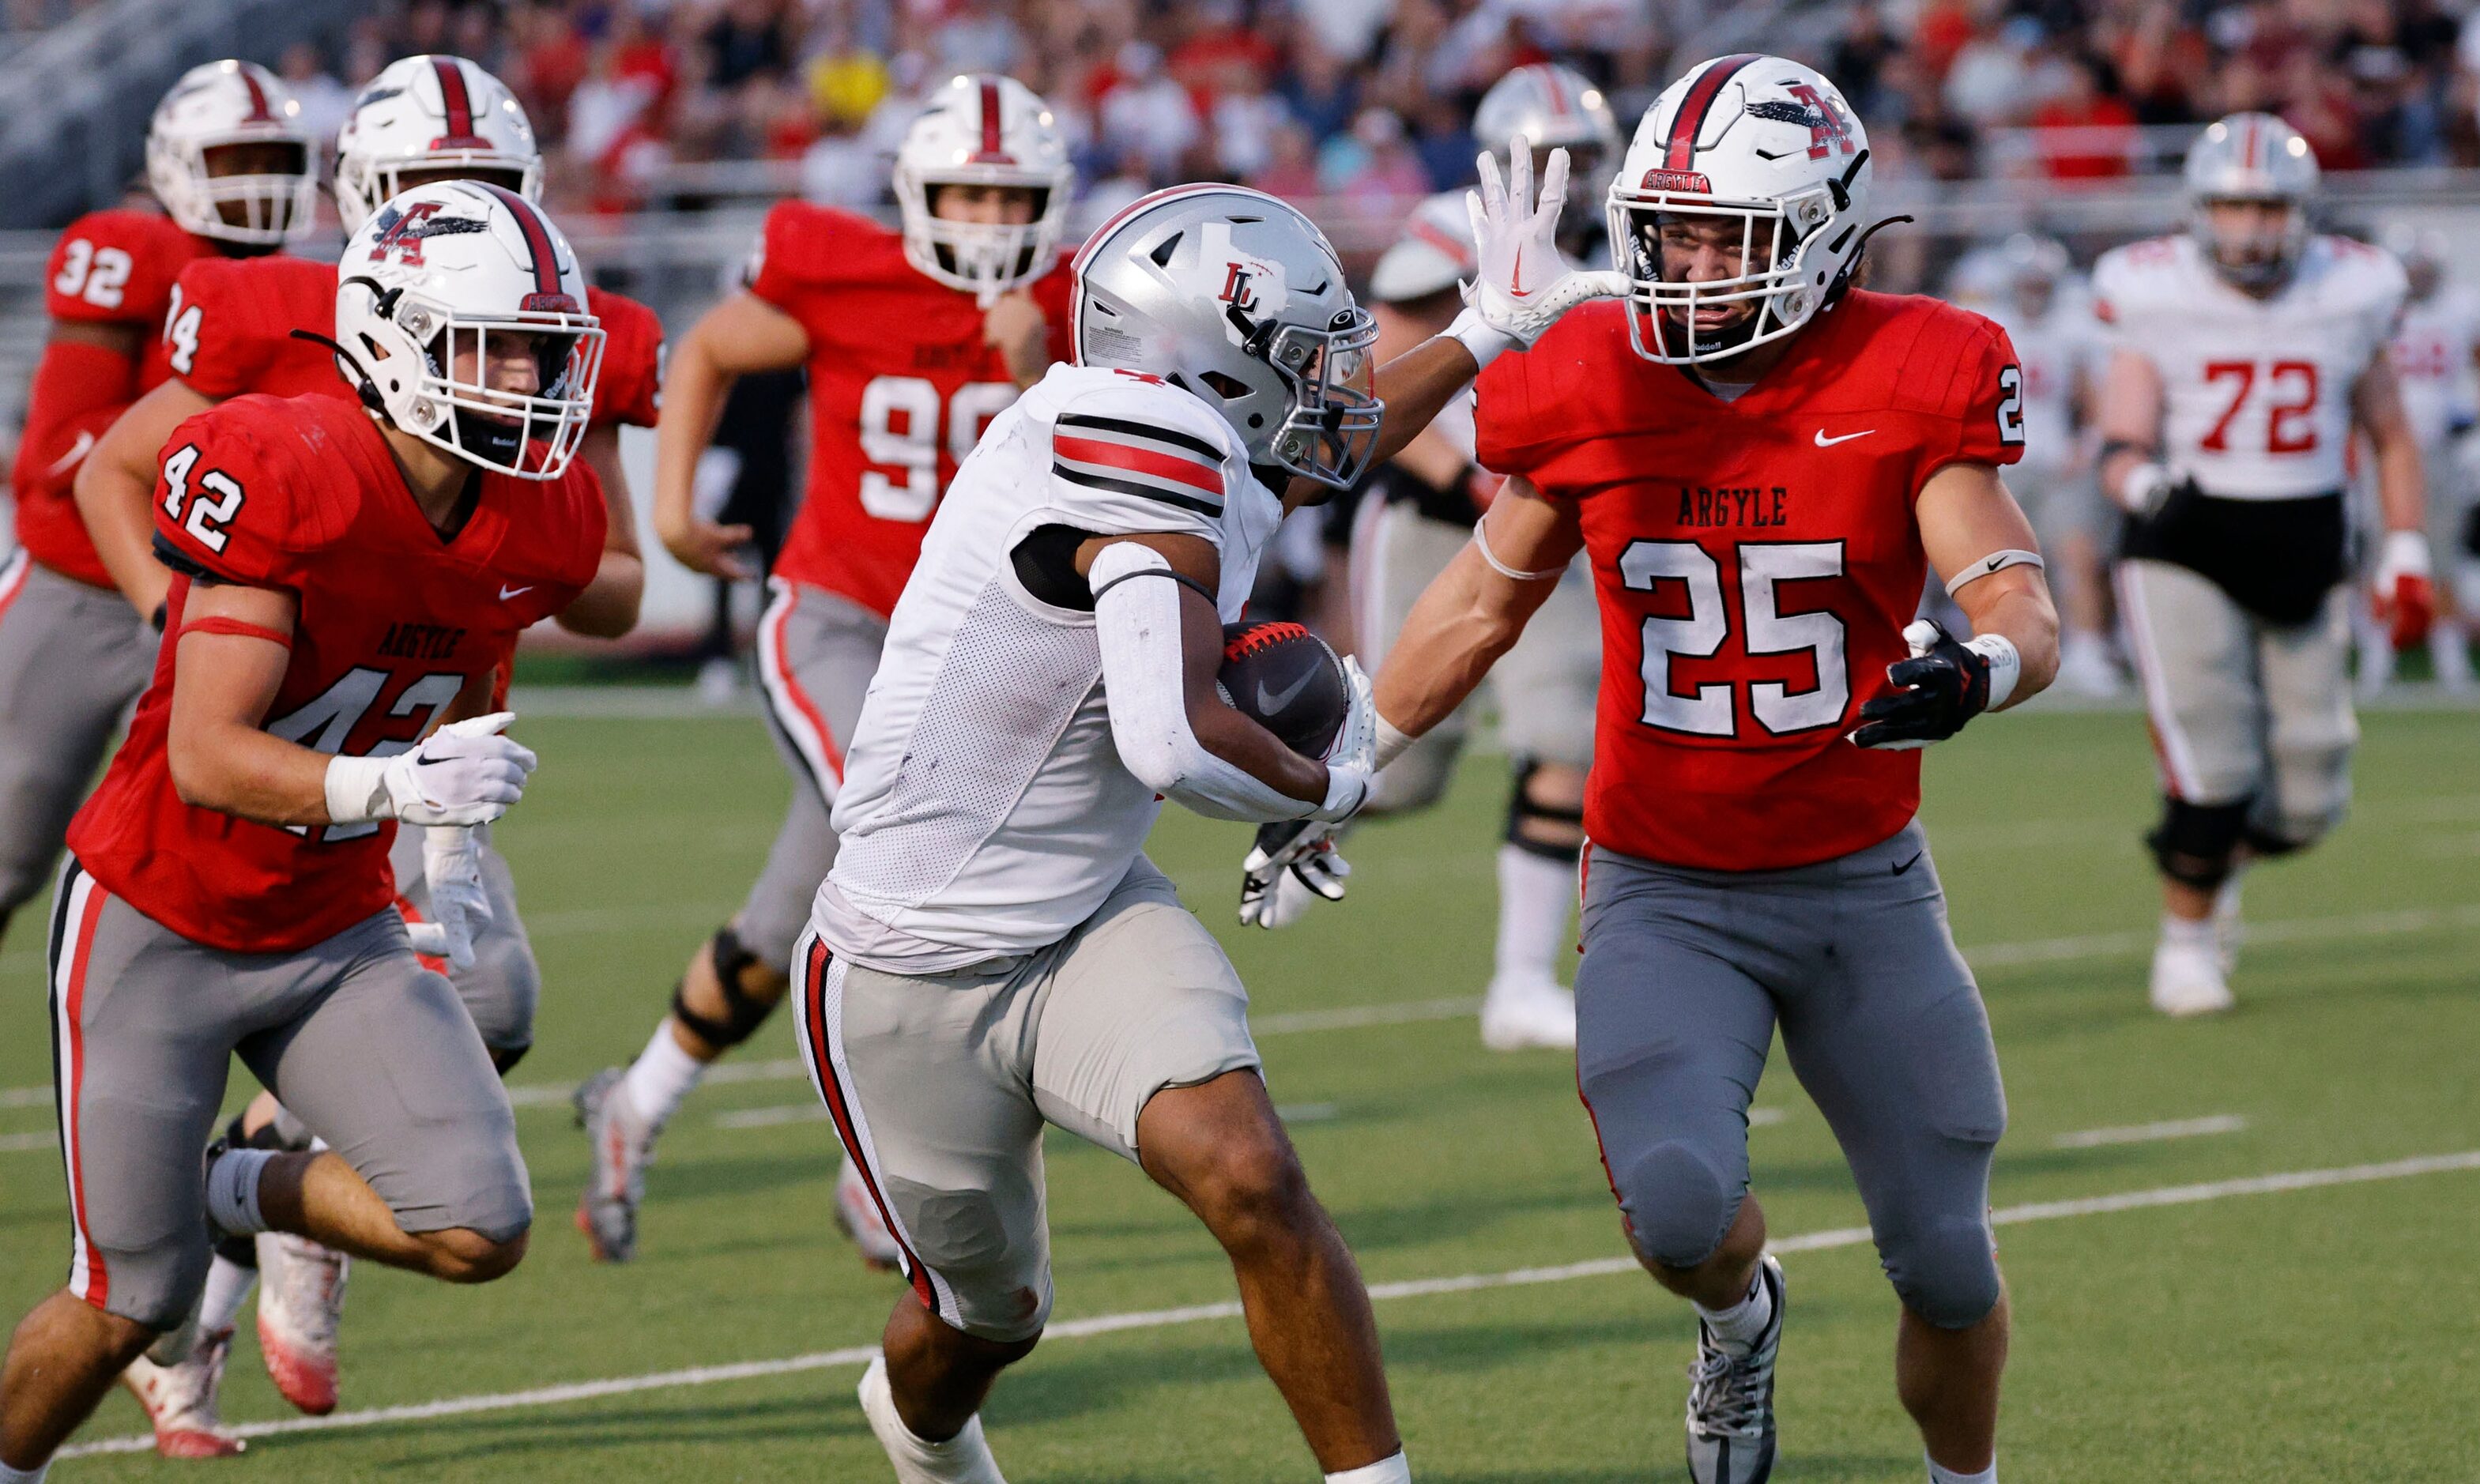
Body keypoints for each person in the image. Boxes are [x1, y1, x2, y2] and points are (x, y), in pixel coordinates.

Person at [798, 153, 1617, 1484]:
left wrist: (1484, 328)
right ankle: (924, 1439)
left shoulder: (1174, 426)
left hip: (1082, 921)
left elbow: (1331, 448)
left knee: (1251, 1175)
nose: (1332, 376)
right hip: (907, 955)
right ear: (1201, 358)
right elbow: (1169, 735)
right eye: (1302, 351)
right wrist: (1325, 788)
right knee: (981, 1319)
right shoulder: (1139, 448)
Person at [1359, 57, 2056, 1484]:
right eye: (1665, 230)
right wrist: (1351, 757)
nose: (1680, 266)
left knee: (1941, 1258)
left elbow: (2007, 587)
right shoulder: (1586, 370)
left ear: (1818, 227)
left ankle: (1962, 1477)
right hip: (1663, 882)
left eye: (1720, 236)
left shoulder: (1909, 362)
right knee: (1677, 1213)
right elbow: (1480, 600)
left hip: (1861, 884)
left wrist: (1979, 665)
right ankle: (1738, 1323)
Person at [70, 55, 665, 1447]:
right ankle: (199, 1311)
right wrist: (184, 618)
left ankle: (268, 1197)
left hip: (428, 743)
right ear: (363, 211)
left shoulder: (550, 343)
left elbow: (615, 584)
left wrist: (509, 515)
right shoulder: (269, 316)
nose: (469, 224)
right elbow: (114, 468)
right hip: (262, 749)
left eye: (495, 193)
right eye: (426, 195)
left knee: (491, 1003)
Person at [573, 73, 1076, 1270]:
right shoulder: (843, 266)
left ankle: (632, 1106)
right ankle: (880, 1162)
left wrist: (1034, 368)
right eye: (969, 193)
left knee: (781, 921)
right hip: (841, 620)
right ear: (918, 190)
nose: (992, 223)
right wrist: (679, 510)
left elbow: (1085, 475)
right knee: (913, 844)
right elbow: (703, 351)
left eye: (1014, 200)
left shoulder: (1069, 306)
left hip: (976, 657)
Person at [1275, 62, 1626, 1051]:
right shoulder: (1448, 222)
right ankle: (1303, 813)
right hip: (1436, 510)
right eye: (1547, 154)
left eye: (1581, 156)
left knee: (1568, 739)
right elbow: (1378, 371)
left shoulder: (1619, 237)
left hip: (1543, 517)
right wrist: (1465, 475)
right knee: (1397, 766)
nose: (1566, 173)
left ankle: (1517, 985)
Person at [2094, 114, 2430, 1016]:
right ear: (2199, 210)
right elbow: (2116, 443)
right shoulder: (2151, 289)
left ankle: (2215, 872)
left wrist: (2403, 546)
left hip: (2307, 539)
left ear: (2300, 212)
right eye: (2232, 207)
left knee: (2310, 793)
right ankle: (2185, 943)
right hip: (2187, 543)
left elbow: (2390, 433)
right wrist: (2141, 487)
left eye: (2266, 209)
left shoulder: (2349, 290)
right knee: (2210, 764)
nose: (2248, 229)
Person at [0, 59, 315, 953]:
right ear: (177, 164)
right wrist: (192, 452)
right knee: (7, 854)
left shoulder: (298, 281)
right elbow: (60, 451)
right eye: (232, 158)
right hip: (81, 587)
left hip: (220, 606)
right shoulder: (134, 250)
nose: (257, 178)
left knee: (207, 865)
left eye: (273, 155)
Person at [1988, 233, 2121, 695]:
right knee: (1994, 567)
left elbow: (2093, 400)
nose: (2033, 292)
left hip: (2055, 461)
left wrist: (2085, 447)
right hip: (2000, 467)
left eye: (2041, 283)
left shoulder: (2071, 328)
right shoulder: (1988, 326)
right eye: (2027, 282)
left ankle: (2086, 649)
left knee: (2077, 556)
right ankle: (2001, 653)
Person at [2384, 224, 2480, 691]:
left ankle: (2451, 661)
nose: (2418, 278)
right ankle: (2379, 659)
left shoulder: (2461, 309)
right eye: (2410, 270)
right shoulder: (2375, 312)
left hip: (2440, 449)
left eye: (2424, 270)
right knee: (2380, 556)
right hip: (2388, 447)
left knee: (2444, 556)